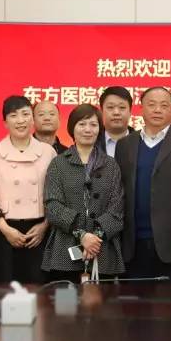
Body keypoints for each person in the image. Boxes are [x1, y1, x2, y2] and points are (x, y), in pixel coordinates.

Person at [115, 87, 171, 283]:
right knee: (134, 300)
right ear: (141, 108)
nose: (157, 110)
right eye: (152, 104)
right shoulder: (125, 145)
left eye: (164, 105)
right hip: (133, 243)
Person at [0, 96, 56, 283]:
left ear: (33, 119)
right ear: (4, 122)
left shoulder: (48, 152)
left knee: (38, 290)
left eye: (25, 114)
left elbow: (56, 195)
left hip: (36, 233)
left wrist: (45, 226)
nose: (20, 120)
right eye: (13, 115)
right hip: (0, 230)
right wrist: (5, 229)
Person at [43, 104, 125, 283]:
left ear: (99, 129)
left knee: (102, 300)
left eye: (93, 125)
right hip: (65, 250)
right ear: (72, 128)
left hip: (102, 250)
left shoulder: (111, 165)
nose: (88, 129)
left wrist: (95, 237)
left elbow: (117, 209)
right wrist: (82, 235)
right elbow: (53, 206)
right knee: (66, 300)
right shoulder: (58, 163)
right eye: (82, 124)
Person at [97, 86, 135, 157]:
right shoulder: (92, 142)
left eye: (122, 107)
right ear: (101, 111)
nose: (116, 112)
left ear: (130, 112)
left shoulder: (142, 142)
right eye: (110, 107)